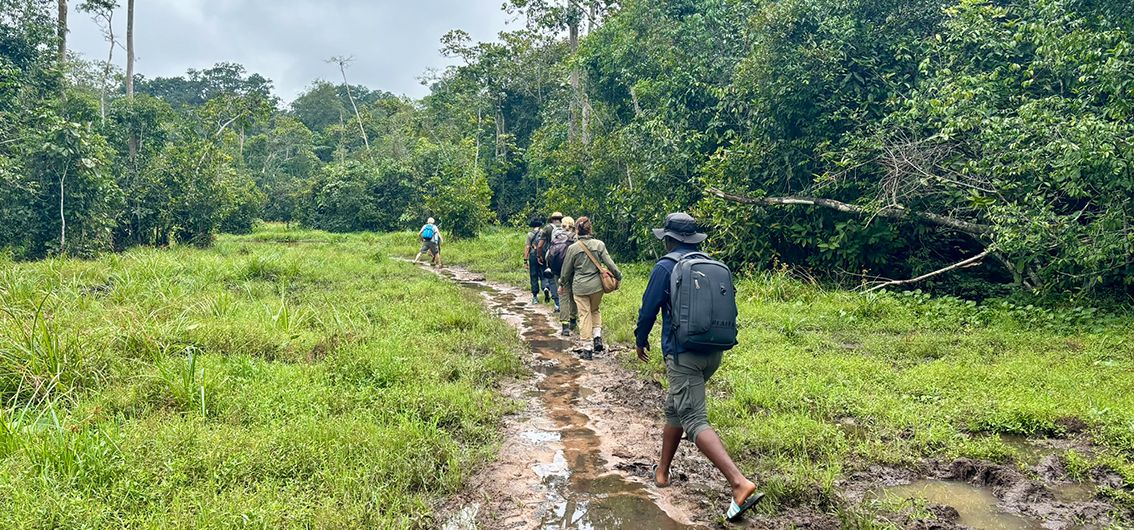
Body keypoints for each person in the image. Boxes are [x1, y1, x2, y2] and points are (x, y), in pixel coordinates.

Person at [634, 212, 763, 522]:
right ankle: (662, 472)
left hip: (683, 353)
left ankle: (739, 483)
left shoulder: (666, 267)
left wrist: (640, 339)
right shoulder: (709, 264)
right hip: (713, 352)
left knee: (693, 418)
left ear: (668, 239)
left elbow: (649, 309)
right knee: (674, 408)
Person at [559, 216, 621, 360]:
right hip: (597, 287)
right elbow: (610, 264)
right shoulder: (599, 245)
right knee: (595, 309)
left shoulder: (573, 248)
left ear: (577, 230)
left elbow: (566, 271)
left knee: (584, 314)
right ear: (590, 229)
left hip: (580, 287)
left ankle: (587, 347)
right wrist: (618, 276)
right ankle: (597, 336)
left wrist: (562, 284)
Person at [550, 216, 579, 335]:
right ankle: (573, 320)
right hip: (573, 270)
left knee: (563, 295)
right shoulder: (576, 238)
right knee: (573, 295)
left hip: (559, 270)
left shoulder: (556, 235)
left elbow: (550, 253)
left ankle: (565, 326)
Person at [535, 212, 564, 308]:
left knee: (552, 279)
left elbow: (539, 245)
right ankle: (566, 303)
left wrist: (539, 256)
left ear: (551, 219)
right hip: (565, 256)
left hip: (552, 256)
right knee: (564, 278)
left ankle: (557, 304)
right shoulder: (566, 226)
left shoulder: (548, 228)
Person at [523, 216, 547, 305]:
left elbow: (527, 247)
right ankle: (545, 288)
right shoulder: (544, 232)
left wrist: (525, 260)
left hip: (533, 255)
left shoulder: (530, 234)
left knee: (533, 275)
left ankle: (535, 297)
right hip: (542, 255)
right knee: (543, 273)